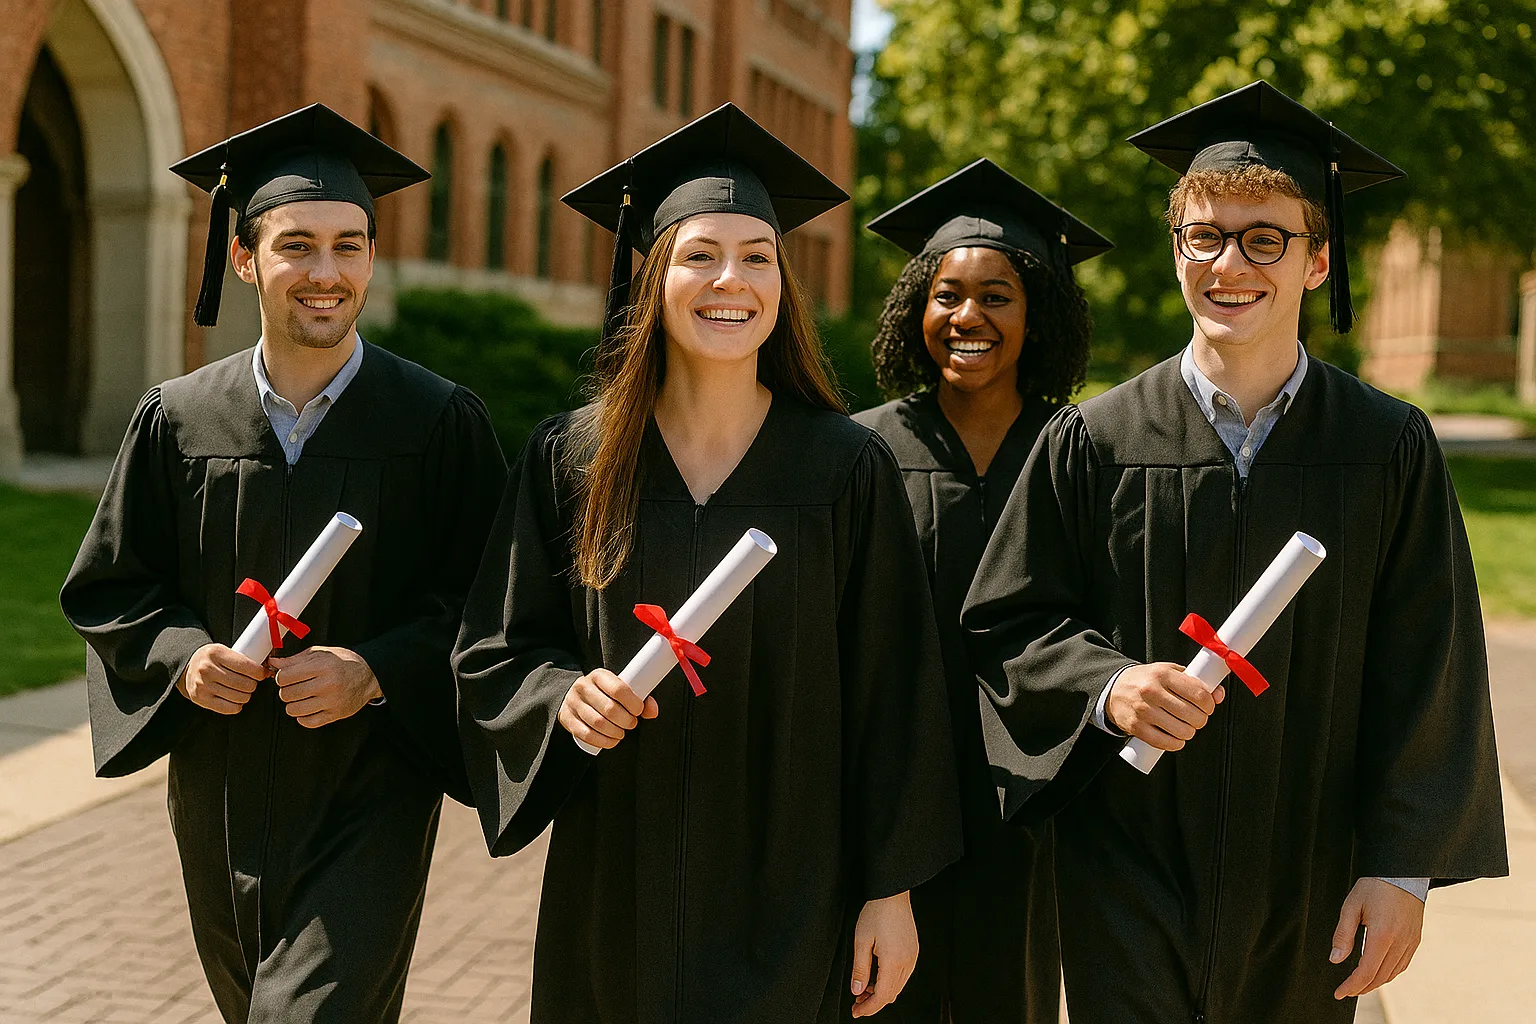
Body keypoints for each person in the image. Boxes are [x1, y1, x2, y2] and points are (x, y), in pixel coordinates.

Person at [961, 81, 1508, 1023]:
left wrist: (1401, 869)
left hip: (1311, 877)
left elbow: (1431, 659)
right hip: (1126, 870)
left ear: (1317, 257)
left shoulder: (1385, 445)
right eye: (1205, 236)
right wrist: (1107, 684)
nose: (1231, 264)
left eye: (1266, 238)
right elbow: (1009, 620)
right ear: (1177, 249)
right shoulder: (1096, 440)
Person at [453, 103, 961, 1024]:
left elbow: (896, 693)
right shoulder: (574, 459)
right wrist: (562, 696)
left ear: (783, 284)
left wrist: (891, 892)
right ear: (651, 278)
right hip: (618, 880)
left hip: (795, 887)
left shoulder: (843, 467)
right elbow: (496, 651)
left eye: (758, 256)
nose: (732, 279)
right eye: (700, 255)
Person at [60, 104, 507, 1024]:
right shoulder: (179, 421)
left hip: (370, 787)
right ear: (244, 258)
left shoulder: (434, 422)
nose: (325, 273)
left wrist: (374, 670)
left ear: (373, 260)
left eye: (349, 246)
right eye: (297, 245)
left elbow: (492, 602)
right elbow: (111, 584)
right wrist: (184, 656)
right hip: (219, 788)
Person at [853, 158, 1110, 1024]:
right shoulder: (863, 452)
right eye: (947, 295)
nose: (969, 317)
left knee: (1019, 993)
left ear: (1037, 312)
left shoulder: (1079, 449)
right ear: (915, 312)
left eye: (998, 295)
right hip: (891, 781)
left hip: (1033, 785)